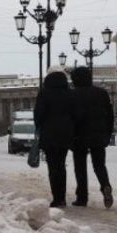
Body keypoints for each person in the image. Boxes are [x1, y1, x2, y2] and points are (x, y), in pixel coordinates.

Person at [70, 66, 114, 208]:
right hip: (98, 135)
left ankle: (82, 197)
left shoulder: (72, 95)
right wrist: (108, 133)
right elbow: (110, 115)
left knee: (80, 167)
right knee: (99, 165)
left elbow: (71, 118)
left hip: (79, 136)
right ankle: (105, 185)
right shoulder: (102, 93)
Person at [33, 66, 76, 208]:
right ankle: (62, 198)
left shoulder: (44, 93)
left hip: (49, 134)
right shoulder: (69, 93)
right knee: (61, 165)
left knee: (52, 166)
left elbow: (38, 115)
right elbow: (75, 114)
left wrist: (41, 126)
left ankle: (57, 198)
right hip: (65, 134)